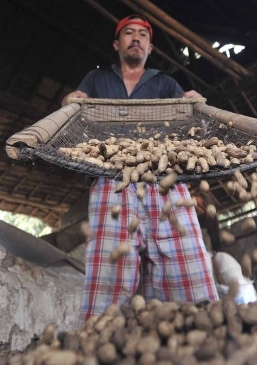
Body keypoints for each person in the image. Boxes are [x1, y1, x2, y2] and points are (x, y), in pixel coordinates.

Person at [62, 15, 218, 323]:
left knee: (188, 270)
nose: (136, 38)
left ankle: (199, 332)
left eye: (142, 35)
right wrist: (72, 99)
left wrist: (191, 101)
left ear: (150, 46)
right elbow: (73, 102)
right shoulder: (96, 79)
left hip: (165, 180)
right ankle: (102, 339)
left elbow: (189, 119)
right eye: (129, 33)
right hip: (112, 180)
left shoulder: (164, 82)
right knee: (109, 277)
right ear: (116, 44)